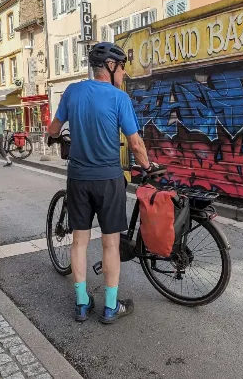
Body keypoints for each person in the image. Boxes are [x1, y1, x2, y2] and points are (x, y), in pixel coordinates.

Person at [48, 42, 157, 324]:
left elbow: (53, 129)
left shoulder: (72, 92)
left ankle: (82, 303)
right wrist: (147, 166)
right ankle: (110, 307)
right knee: (110, 244)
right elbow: (135, 143)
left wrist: (59, 137)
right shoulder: (119, 98)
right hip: (109, 180)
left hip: (79, 179)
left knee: (79, 242)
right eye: (121, 67)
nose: (123, 73)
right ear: (110, 67)